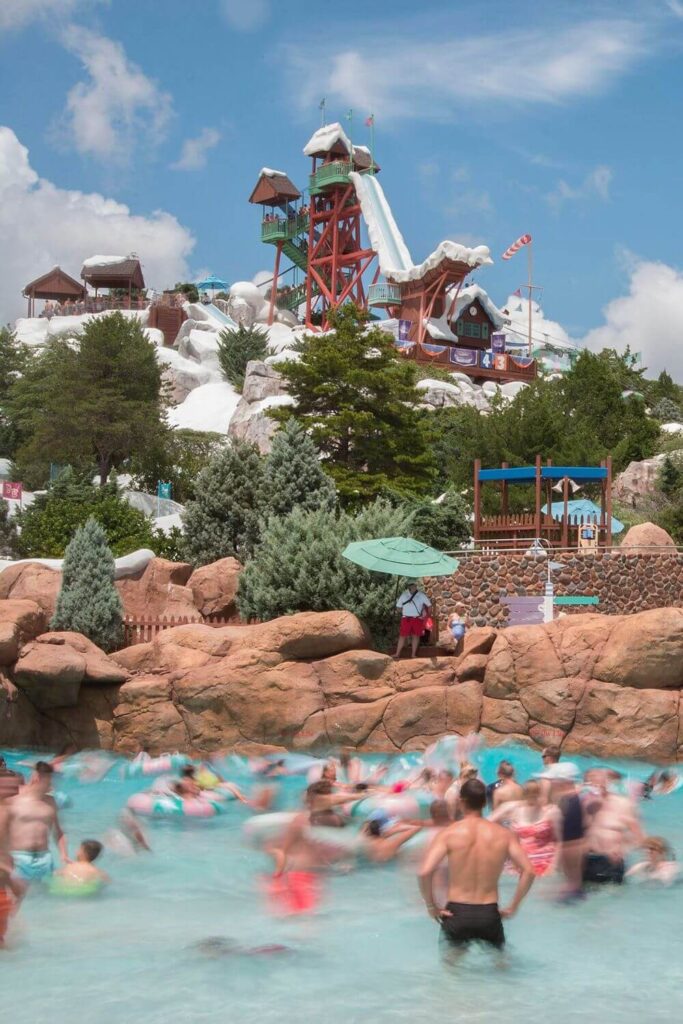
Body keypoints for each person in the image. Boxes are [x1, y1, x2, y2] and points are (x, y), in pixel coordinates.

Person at [418, 778, 535, 953]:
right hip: (489, 913)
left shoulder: (448, 834)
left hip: (456, 913)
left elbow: (424, 872)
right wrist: (513, 906)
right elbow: (528, 870)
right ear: (485, 802)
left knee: (451, 973)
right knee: (500, 969)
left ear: (461, 801)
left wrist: (431, 906)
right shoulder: (503, 835)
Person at [7, 761, 68, 896]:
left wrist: (63, 855)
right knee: (15, 898)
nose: (52, 785)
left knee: (47, 896)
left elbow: (58, 832)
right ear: (37, 778)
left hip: (44, 859)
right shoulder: (13, 798)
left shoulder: (51, 802)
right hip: (18, 859)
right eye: (49, 781)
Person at [582, 771, 643, 885]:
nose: (594, 784)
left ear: (609, 782)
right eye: (590, 781)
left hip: (611, 861)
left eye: (597, 780)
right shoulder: (585, 804)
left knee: (612, 897)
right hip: (586, 859)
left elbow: (639, 837)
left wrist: (624, 849)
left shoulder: (623, 804)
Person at [490, 780, 561, 876]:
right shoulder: (514, 809)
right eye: (530, 796)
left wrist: (553, 866)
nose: (533, 800)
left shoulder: (551, 811)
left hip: (545, 862)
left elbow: (560, 841)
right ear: (524, 796)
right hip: (520, 863)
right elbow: (488, 822)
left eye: (535, 796)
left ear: (542, 795)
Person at [394, 580, 432, 659]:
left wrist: (427, 616)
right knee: (402, 636)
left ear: (416, 585)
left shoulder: (421, 595)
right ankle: (397, 654)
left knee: (416, 636)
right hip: (406, 618)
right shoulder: (404, 595)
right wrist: (404, 612)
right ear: (408, 586)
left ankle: (413, 654)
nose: (412, 586)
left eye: (414, 584)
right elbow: (398, 607)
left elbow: (429, 605)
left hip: (417, 619)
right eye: (411, 584)